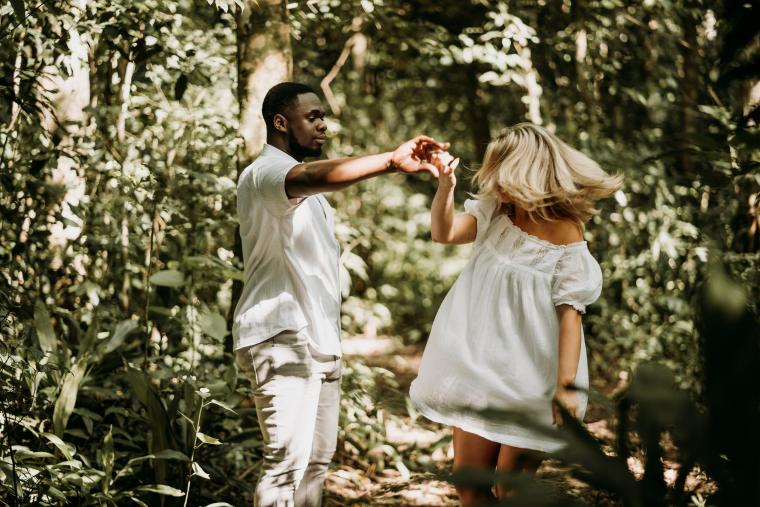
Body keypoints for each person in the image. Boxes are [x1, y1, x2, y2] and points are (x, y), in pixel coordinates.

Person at [233, 81, 447, 507]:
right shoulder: (266, 174)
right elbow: (311, 175)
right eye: (312, 117)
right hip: (281, 338)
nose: (323, 126)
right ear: (280, 122)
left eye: (322, 117)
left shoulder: (312, 200)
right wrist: (389, 160)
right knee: (284, 466)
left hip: (321, 342)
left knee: (316, 463)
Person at [409, 123, 622, 506]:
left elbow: (571, 318)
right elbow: (444, 233)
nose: (496, 184)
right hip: (479, 371)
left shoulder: (566, 233)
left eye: (503, 175)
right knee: (468, 486)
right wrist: (446, 185)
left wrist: (565, 389)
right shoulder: (495, 213)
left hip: (534, 380)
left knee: (512, 491)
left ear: (528, 175)